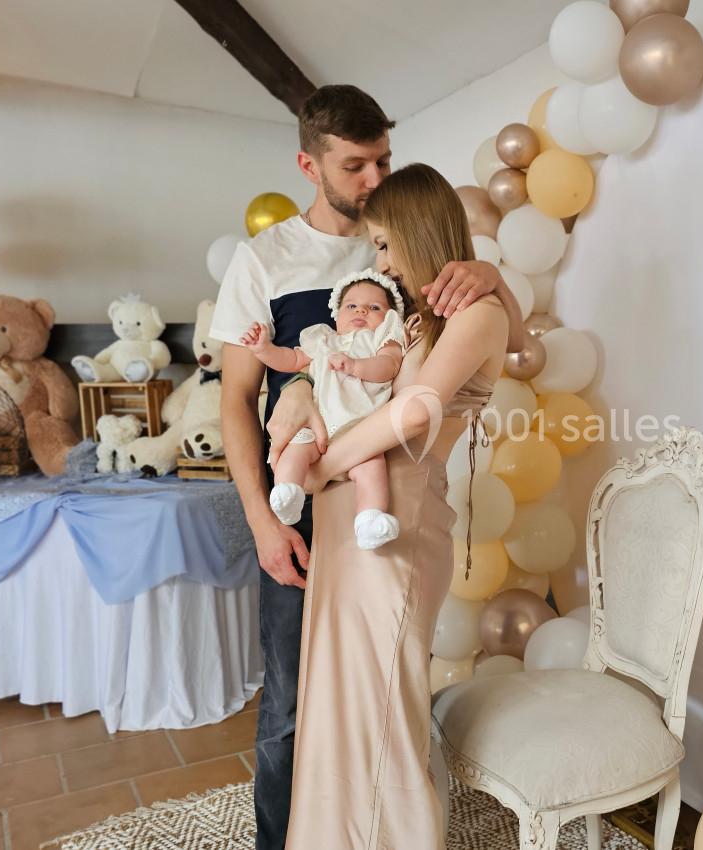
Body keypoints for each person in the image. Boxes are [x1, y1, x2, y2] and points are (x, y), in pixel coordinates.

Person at [211, 85, 526, 850]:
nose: (374, 178)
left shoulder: (417, 262)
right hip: (300, 510)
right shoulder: (266, 258)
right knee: (297, 707)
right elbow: (236, 404)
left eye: (384, 159)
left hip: (368, 503)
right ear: (308, 164)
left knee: (378, 704)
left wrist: (496, 280)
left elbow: (478, 357)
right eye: (356, 165)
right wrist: (265, 519)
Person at [282, 162, 508, 849]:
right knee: (338, 705)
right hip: (350, 515)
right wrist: (299, 402)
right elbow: (344, 386)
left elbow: (413, 414)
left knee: (381, 712)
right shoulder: (414, 319)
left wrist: (323, 463)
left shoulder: (479, 313)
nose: (378, 259)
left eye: (384, 243)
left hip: (397, 522)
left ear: (414, 231)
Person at [240, 270, 405, 550]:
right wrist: (263, 349)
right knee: (295, 450)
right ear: (337, 315)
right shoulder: (323, 341)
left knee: (372, 469)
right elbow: (291, 360)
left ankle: (369, 520)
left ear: (389, 318)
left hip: (360, 433)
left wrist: (356, 366)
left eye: (374, 307)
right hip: (317, 425)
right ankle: (288, 493)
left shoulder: (380, 342)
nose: (361, 310)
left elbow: (389, 366)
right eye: (351, 305)